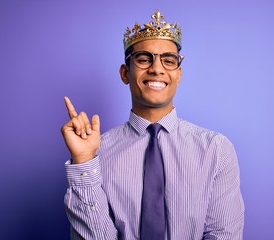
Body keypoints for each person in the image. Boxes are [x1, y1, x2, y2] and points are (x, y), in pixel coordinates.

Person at [61, 10, 244, 240]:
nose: (157, 68)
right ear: (125, 72)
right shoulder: (97, 154)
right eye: (144, 58)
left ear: (178, 74)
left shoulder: (216, 150)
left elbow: (223, 235)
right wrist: (84, 161)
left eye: (168, 60)